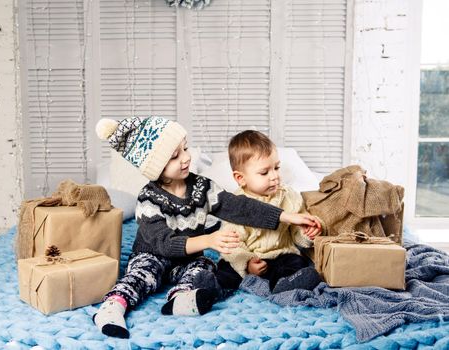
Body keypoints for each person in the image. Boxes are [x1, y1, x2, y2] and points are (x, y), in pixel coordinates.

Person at [92, 117, 319, 339]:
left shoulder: (202, 186)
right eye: (174, 156)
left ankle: (181, 299)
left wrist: (286, 216)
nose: (186, 158)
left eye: (185, 149)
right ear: (155, 168)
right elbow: (164, 243)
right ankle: (114, 306)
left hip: (187, 258)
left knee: (204, 268)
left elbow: (239, 206)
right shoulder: (148, 199)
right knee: (144, 274)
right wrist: (209, 241)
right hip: (153, 254)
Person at [198, 130, 324, 296]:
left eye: (276, 168)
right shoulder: (237, 205)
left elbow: (296, 234)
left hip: (281, 255)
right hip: (250, 255)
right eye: (264, 172)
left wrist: (308, 234)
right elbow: (232, 245)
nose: (274, 176)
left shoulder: (288, 197)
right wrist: (247, 263)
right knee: (226, 270)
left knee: (297, 262)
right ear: (240, 178)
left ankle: (285, 285)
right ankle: (207, 291)